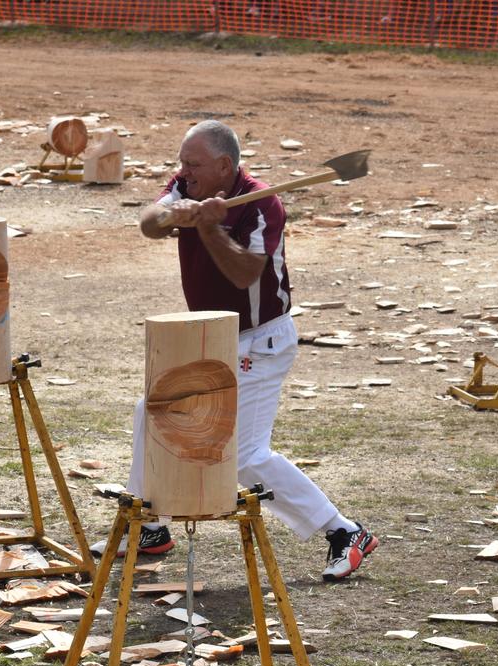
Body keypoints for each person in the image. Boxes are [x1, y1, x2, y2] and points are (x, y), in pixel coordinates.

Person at [125, 120, 378, 581]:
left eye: (194, 164)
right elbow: (147, 224)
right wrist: (171, 214)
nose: (184, 171)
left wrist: (209, 228)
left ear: (224, 166)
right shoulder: (186, 184)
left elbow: (244, 273)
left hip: (258, 343)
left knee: (244, 456)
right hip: (210, 335)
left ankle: (343, 532)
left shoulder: (262, 204)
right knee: (153, 407)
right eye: (182, 164)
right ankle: (150, 526)